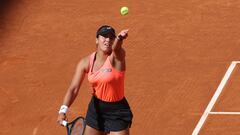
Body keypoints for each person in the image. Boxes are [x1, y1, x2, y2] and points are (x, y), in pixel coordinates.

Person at [57, 25, 133, 135]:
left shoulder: (117, 57)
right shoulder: (86, 62)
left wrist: (119, 38)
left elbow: (117, 48)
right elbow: (73, 89)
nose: (108, 40)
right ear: (97, 40)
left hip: (117, 111)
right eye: (104, 37)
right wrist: (62, 110)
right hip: (96, 109)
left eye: (111, 37)